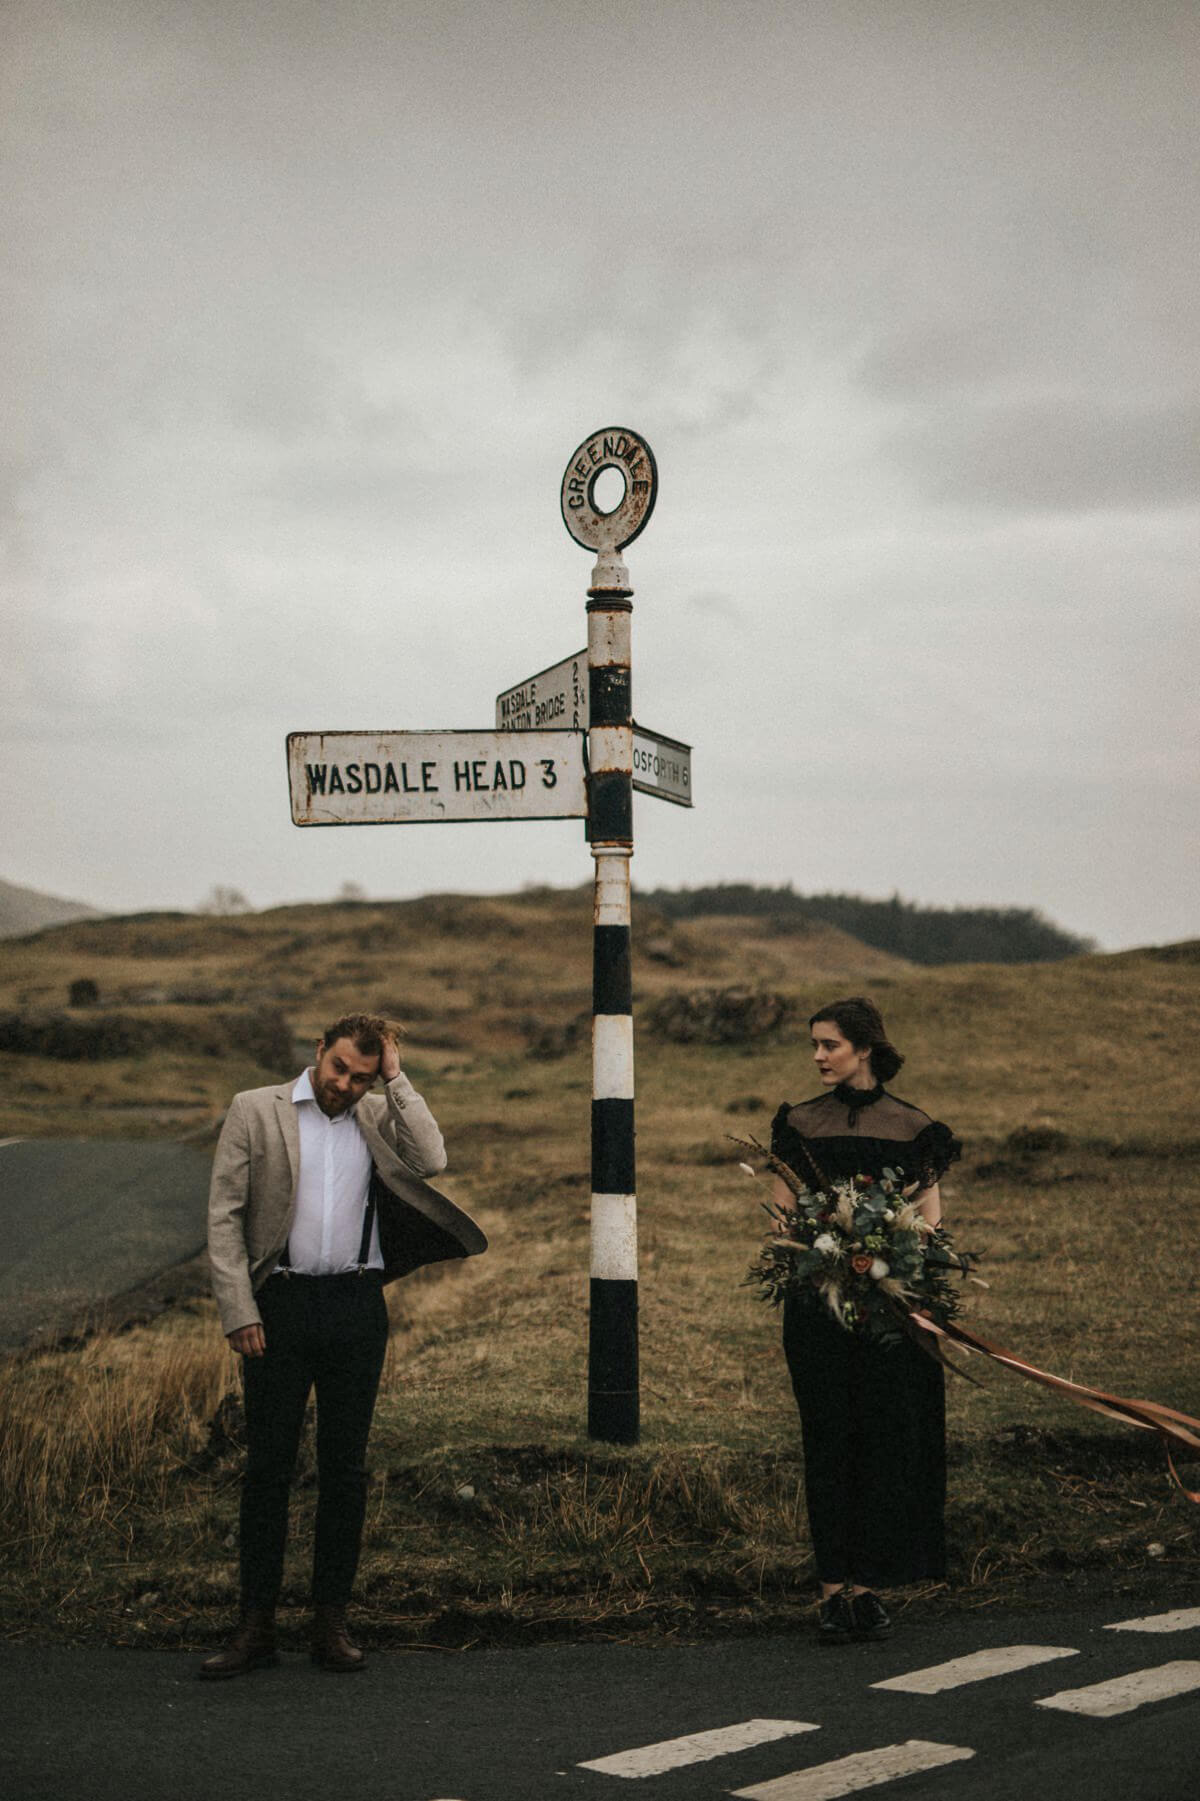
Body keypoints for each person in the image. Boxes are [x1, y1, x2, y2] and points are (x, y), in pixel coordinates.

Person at [200, 1011, 486, 1679]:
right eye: (339, 1069)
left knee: (344, 1468)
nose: (345, 1086)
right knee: (268, 1468)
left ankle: (330, 1622)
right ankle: (256, 1626)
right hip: (279, 1306)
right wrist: (238, 1307)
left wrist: (395, 1078)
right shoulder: (255, 1110)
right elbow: (223, 1217)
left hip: (357, 1305)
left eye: (361, 1076)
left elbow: (432, 1157)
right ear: (318, 1050)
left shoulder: (375, 1113)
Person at [770, 996, 960, 1646]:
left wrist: (890, 1255)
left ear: (865, 1048)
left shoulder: (913, 1126)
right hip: (818, 1308)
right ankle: (830, 1591)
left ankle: (868, 1587)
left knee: (883, 1439)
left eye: (829, 1044)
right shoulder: (799, 1122)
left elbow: (931, 1223)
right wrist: (826, 1248)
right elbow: (780, 1221)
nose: (818, 1056)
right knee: (829, 1439)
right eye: (815, 1045)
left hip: (889, 1312)